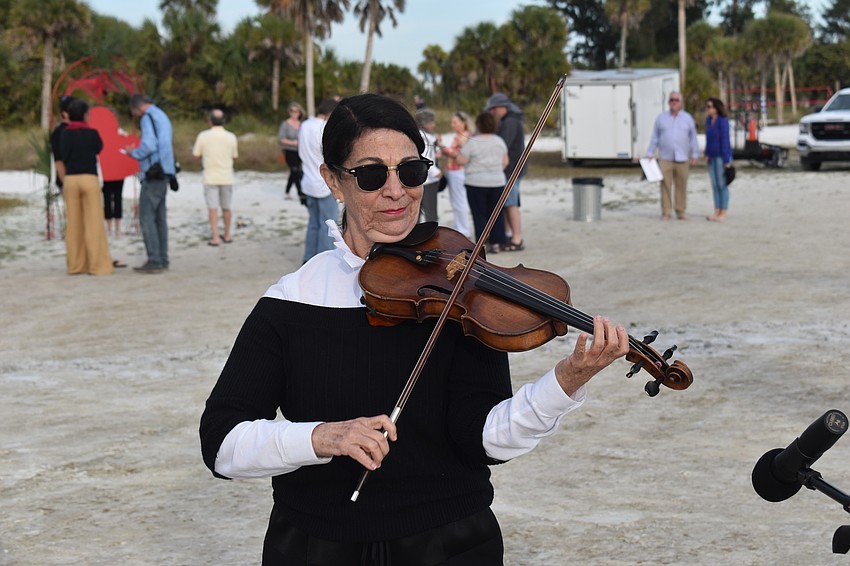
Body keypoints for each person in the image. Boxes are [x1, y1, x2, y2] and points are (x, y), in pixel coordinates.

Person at [199, 92, 629, 564]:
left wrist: (564, 383)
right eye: (370, 174)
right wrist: (321, 437)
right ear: (332, 182)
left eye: (410, 171)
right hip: (316, 545)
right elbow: (221, 444)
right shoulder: (291, 302)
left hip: (449, 543)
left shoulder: (458, 290)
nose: (396, 191)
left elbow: (485, 438)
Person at [59, 99, 117, 275]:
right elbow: (99, 148)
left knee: (74, 224)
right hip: (89, 178)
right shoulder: (92, 133)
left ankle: (76, 265)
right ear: (85, 115)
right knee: (94, 223)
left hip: (71, 179)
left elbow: (62, 154)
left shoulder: (64, 134)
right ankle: (98, 265)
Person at [124, 93, 176, 273]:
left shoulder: (147, 118)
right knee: (159, 218)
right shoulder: (161, 115)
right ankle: (163, 258)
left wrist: (134, 153)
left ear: (136, 108)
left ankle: (154, 259)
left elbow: (149, 145)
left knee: (147, 217)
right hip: (165, 171)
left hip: (153, 172)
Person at [456, 111, 509, 254]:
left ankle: (482, 244)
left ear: (478, 125)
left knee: (479, 215)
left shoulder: (473, 141)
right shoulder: (499, 141)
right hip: (497, 181)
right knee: (496, 214)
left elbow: (461, 160)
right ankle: (497, 243)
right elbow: (505, 162)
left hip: (476, 182)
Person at [645, 91, 699, 221]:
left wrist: (695, 154)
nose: (674, 102)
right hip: (665, 157)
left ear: (680, 103)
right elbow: (655, 137)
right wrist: (650, 152)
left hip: (683, 158)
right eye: (672, 100)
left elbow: (693, 137)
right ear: (669, 102)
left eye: (676, 100)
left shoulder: (687, 118)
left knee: (681, 185)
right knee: (665, 185)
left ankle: (680, 210)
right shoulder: (661, 118)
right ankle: (666, 211)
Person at [297, 98, 339, 264]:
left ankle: (308, 259)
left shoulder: (305, 125)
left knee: (314, 223)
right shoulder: (323, 128)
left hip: (308, 180)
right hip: (323, 183)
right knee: (328, 226)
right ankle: (323, 262)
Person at [485, 92, 526, 251]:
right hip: (511, 168)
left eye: (494, 109)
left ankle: (517, 239)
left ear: (503, 107)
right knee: (507, 203)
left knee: (511, 204)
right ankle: (508, 235)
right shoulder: (509, 120)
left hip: (511, 169)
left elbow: (502, 144)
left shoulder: (510, 122)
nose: (492, 112)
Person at [192, 108, 239, 246]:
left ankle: (215, 236)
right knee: (226, 207)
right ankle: (228, 234)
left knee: (212, 208)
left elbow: (196, 155)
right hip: (227, 176)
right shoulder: (231, 136)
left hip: (210, 176)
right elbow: (234, 156)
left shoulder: (203, 136)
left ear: (210, 121)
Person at [437, 110, 473, 238]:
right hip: (454, 170)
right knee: (456, 200)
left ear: (463, 123)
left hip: (458, 170)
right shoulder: (460, 135)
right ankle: (460, 227)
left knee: (459, 200)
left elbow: (455, 153)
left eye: (455, 122)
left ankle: (464, 229)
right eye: (452, 122)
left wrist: (441, 145)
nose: (453, 125)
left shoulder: (463, 136)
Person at [704, 97, 733, 222]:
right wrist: (706, 153)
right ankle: (716, 210)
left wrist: (727, 160)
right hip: (712, 156)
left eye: (710, 106)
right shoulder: (708, 121)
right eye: (707, 107)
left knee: (722, 184)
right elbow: (708, 139)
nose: (708, 109)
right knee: (714, 184)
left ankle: (724, 211)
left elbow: (725, 140)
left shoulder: (723, 121)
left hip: (721, 156)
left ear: (716, 108)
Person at [414, 108, 442, 223]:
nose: (434, 125)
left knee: (418, 211)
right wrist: (436, 172)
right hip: (428, 181)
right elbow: (425, 157)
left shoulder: (424, 136)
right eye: (432, 122)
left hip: (422, 180)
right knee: (430, 211)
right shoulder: (424, 138)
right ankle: (431, 235)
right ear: (424, 123)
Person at [278, 102, 305, 202]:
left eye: (296, 111)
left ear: (299, 112)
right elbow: (281, 138)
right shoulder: (285, 124)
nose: (294, 113)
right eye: (292, 111)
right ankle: (300, 193)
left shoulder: (302, 124)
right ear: (289, 112)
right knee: (295, 170)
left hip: (300, 151)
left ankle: (287, 191)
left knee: (295, 171)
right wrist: (293, 142)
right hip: (289, 151)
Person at [50, 95, 75, 192]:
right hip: (67, 180)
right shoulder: (59, 132)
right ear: (64, 114)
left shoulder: (78, 130)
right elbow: (59, 162)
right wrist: (66, 183)